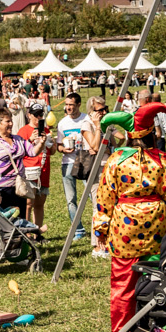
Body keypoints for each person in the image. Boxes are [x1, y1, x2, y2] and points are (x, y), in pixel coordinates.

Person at [93, 103, 166, 332]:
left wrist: (101, 229)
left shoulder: (115, 160)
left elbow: (105, 197)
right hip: (157, 231)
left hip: (124, 232)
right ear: (152, 133)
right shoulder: (163, 160)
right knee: (159, 280)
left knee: (123, 284)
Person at [55, 94, 99, 240]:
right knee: (70, 199)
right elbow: (58, 145)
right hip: (68, 162)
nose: (68, 107)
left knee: (94, 195)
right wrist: (63, 150)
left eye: (71, 105)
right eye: (66, 104)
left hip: (86, 161)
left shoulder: (87, 120)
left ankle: (98, 226)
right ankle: (78, 228)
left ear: (79, 104)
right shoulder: (62, 123)